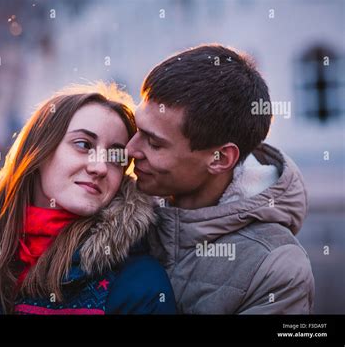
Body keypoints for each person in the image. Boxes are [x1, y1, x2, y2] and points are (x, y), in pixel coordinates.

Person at [0, 83, 176, 315]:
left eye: (116, 156)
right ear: (39, 152)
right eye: (84, 144)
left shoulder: (138, 281)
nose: (100, 167)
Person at [126, 44, 315, 314]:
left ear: (220, 158)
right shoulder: (112, 213)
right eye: (137, 128)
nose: (130, 150)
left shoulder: (276, 269)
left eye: (154, 143)